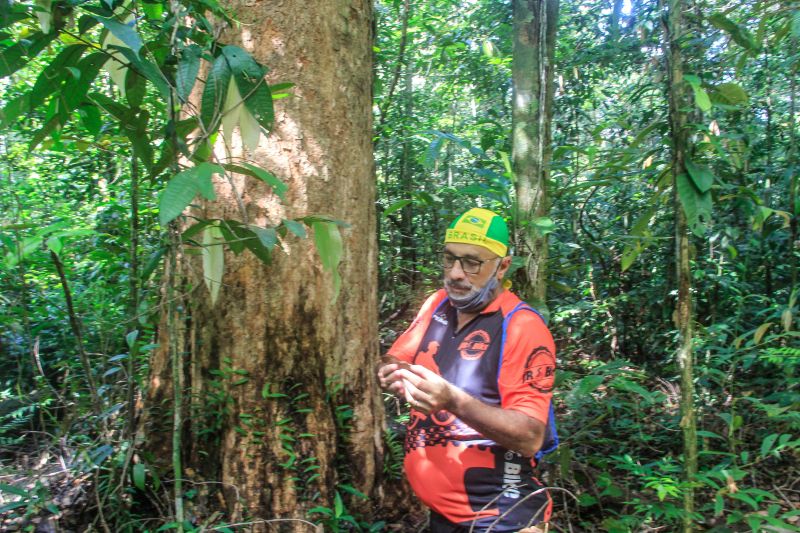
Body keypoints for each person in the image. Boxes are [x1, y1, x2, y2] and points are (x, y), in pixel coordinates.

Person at [378, 207, 557, 533]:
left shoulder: (521, 326)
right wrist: (394, 373)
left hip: (503, 516)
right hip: (444, 512)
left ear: (502, 266)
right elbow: (396, 357)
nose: (456, 273)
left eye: (472, 263)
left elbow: (530, 437)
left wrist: (451, 400)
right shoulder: (437, 305)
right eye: (450, 259)